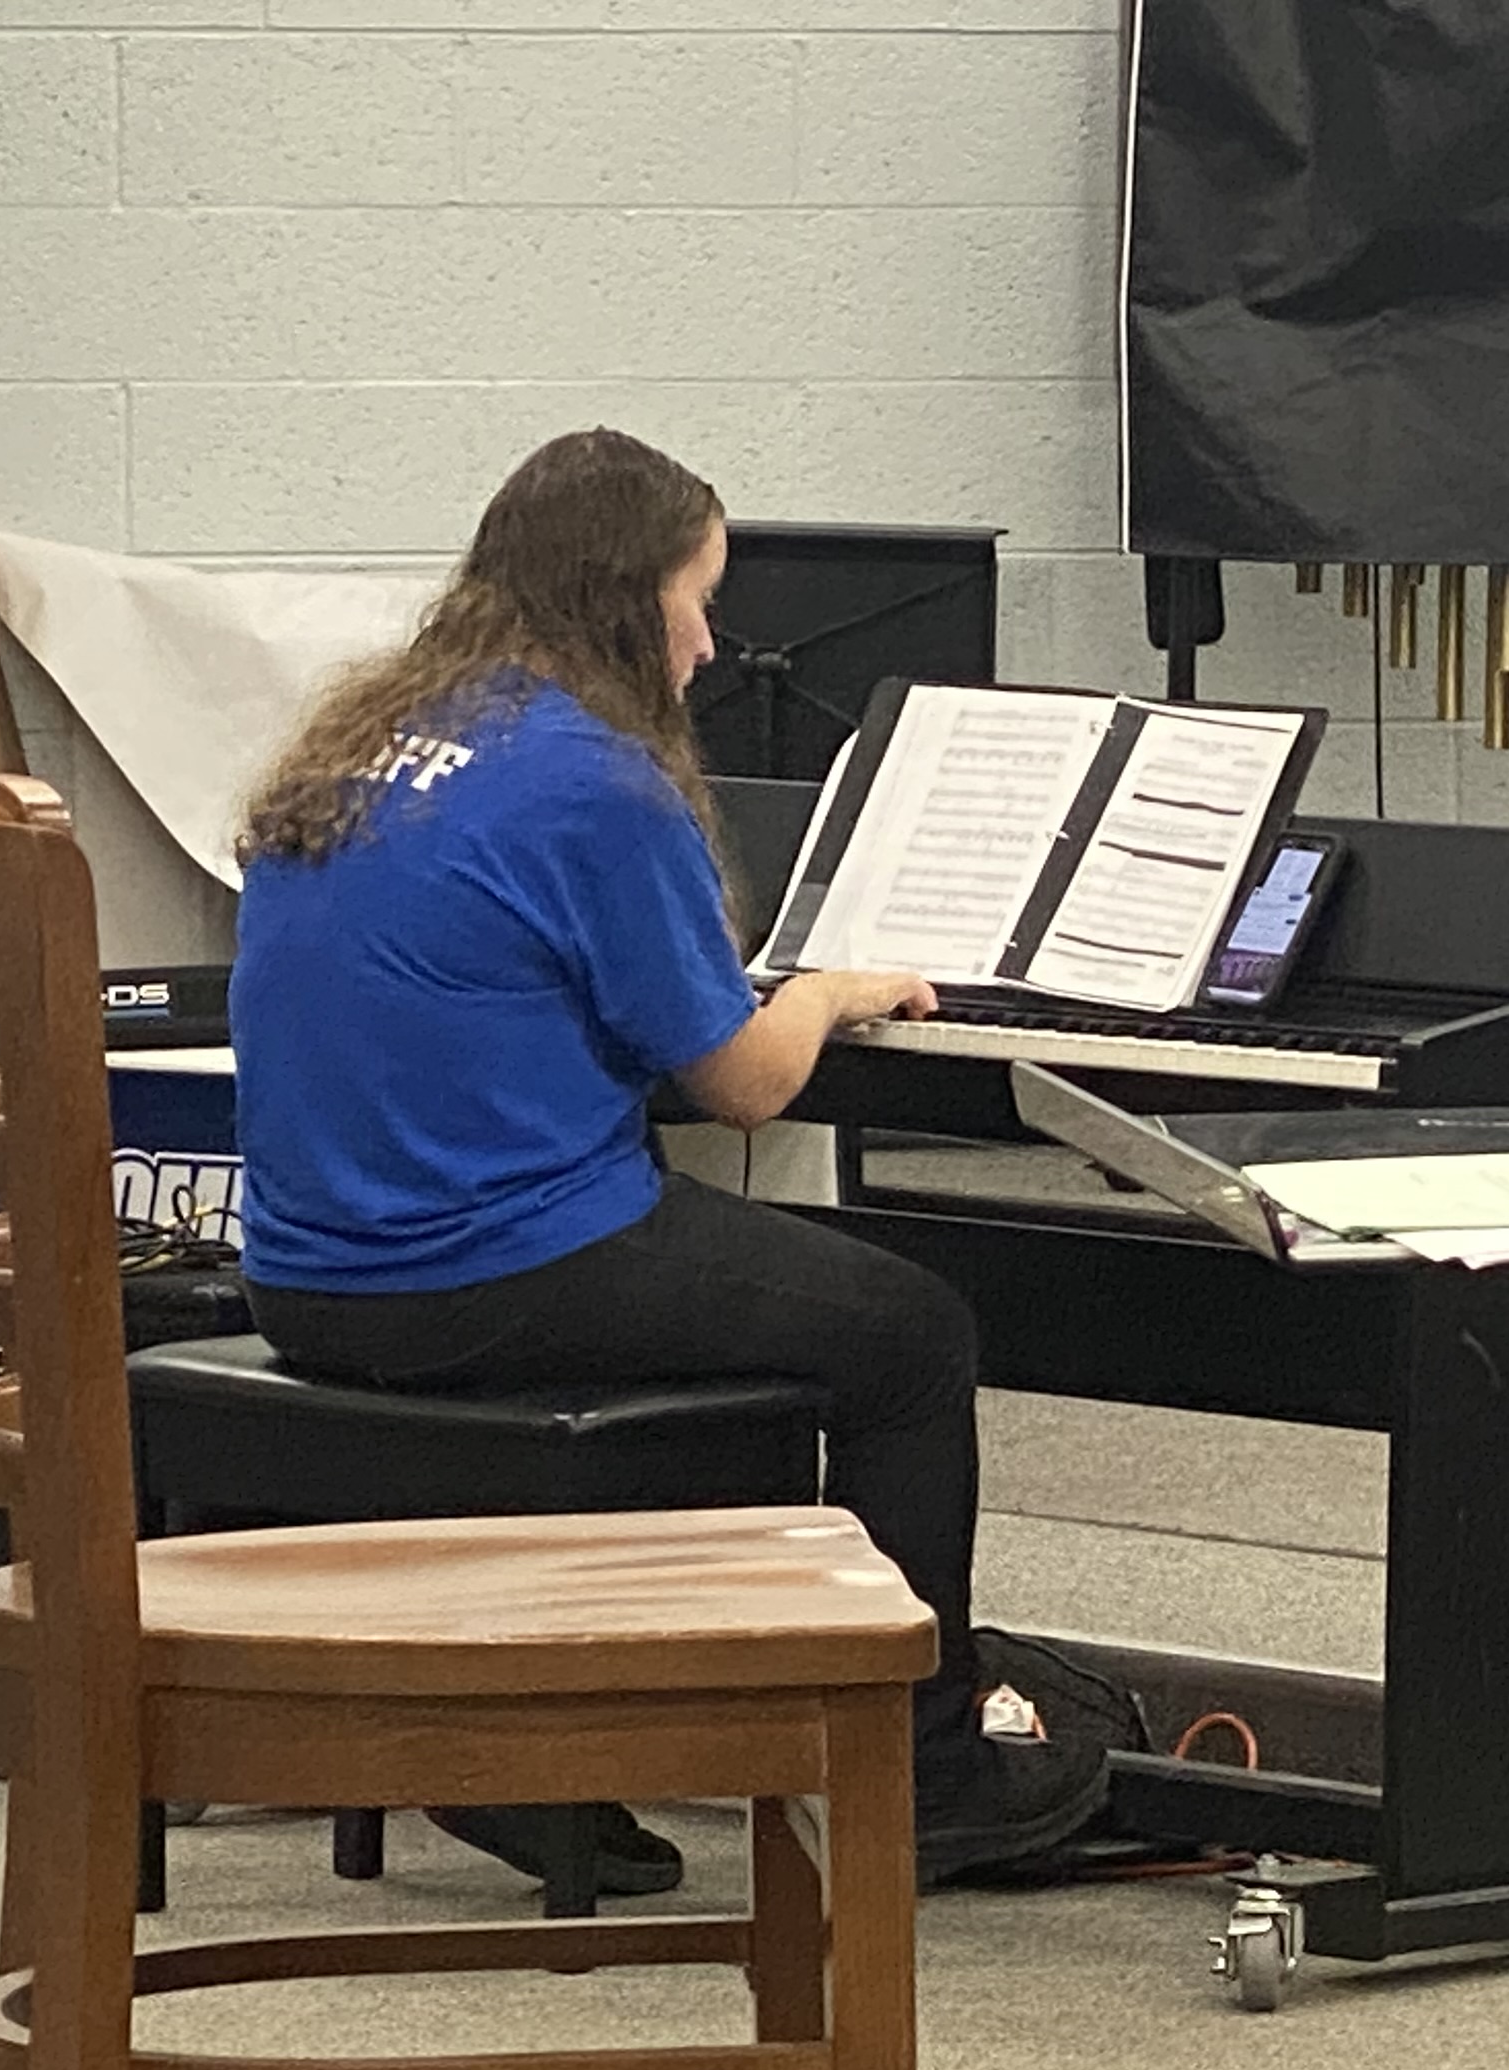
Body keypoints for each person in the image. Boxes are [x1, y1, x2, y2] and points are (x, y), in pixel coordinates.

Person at [224, 427, 1114, 1889]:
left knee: (745, 1279)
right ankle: (927, 1767)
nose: (709, 646)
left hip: (307, 1276)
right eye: (698, 601)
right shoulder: (589, 778)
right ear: (624, 599)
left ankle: (547, 1746)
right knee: (910, 1332)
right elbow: (749, 1087)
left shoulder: (376, 734)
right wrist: (829, 989)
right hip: (487, 1270)